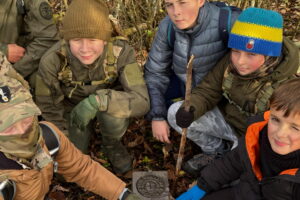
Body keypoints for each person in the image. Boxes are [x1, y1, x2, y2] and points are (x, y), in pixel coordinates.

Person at [170, 7, 299, 175]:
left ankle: (230, 159)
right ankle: (216, 151)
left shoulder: (287, 85)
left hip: (255, 138)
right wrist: (191, 108)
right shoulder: (229, 64)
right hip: (227, 121)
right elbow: (208, 90)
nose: (240, 61)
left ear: (270, 56)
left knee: (236, 176)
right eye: (236, 52)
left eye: (251, 55)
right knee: (175, 112)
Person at [0, 53, 141, 200]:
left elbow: (81, 168)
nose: (22, 130)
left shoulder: (48, 135)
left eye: (25, 119)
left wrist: (122, 194)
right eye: (9, 128)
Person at [35, 0, 150, 175]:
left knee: (113, 116)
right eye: (76, 40)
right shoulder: (52, 60)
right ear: (67, 40)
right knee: (70, 168)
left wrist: (97, 101)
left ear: (104, 40)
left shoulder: (122, 53)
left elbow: (141, 100)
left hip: (108, 107)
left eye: (93, 39)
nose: (85, 48)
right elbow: (49, 107)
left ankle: (112, 145)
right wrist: (64, 140)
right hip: (71, 109)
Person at [176, 77, 300, 200]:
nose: (280, 133)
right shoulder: (258, 135)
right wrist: (203, 185)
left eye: (295, 128)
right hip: (244, 192)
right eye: (275, 119)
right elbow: (233, 162)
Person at [144, 0, 240, 144]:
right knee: (143, 94)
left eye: (183, 3)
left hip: (223, 97)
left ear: (200, 1)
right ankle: (215, 150)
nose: (176, 12)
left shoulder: (229, 22)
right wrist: (158, 116)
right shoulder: (168, 26)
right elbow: (156, 71)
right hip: (187, 89)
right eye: (169, 5)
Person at [0, 0, 59, 87]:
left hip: (14, 68)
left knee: (40, 80)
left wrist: (13, 72)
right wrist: (4, 51)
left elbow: (46, 38)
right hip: (6, 64)